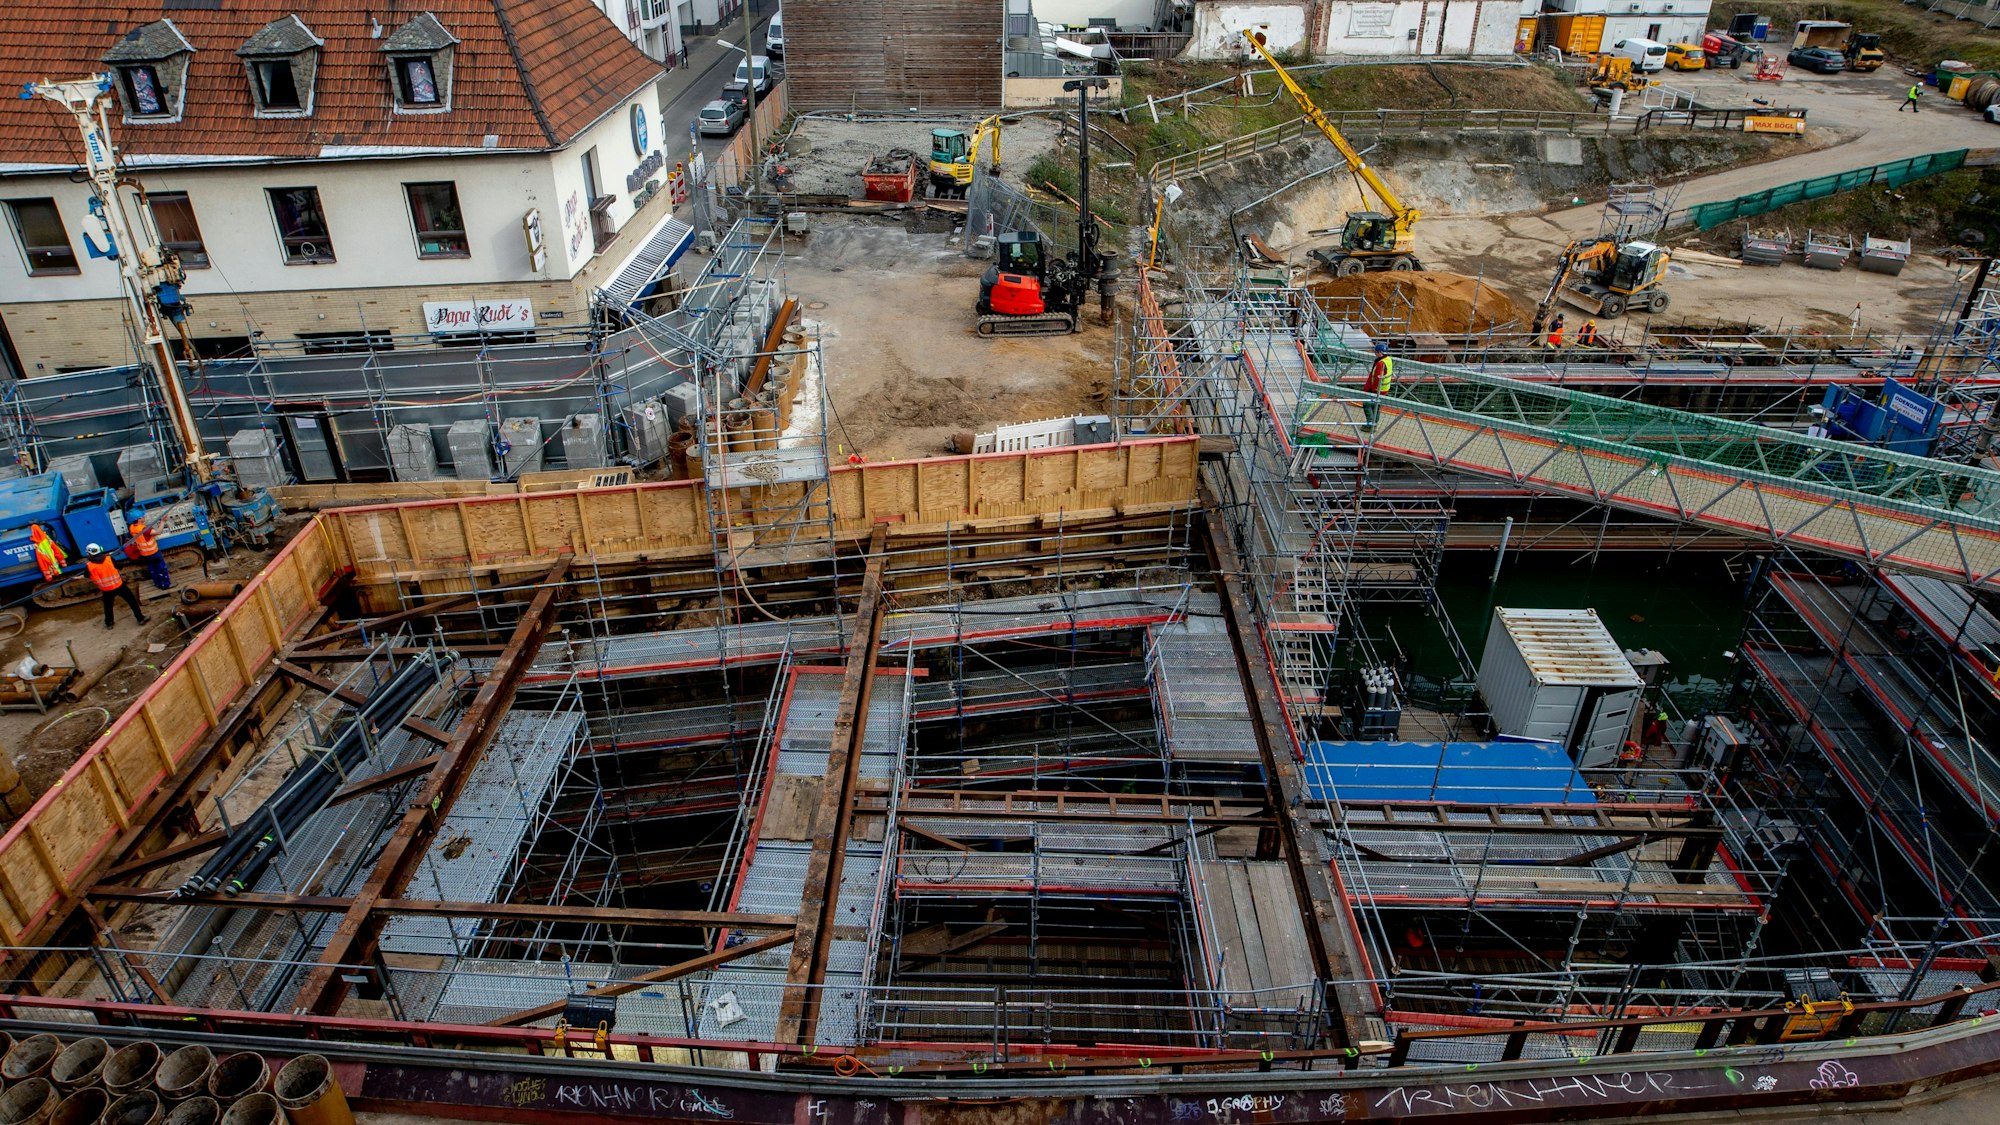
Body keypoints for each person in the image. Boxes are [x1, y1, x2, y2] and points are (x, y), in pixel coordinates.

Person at [84, 544, 147, 630]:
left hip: (106, 590)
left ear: (89, 553)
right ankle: (140, 618)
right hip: (119, 586)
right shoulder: (109, 559)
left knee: (108, 606)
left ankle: (109, 623)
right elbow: (120, 566)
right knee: (132, 601)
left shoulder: (89, 565)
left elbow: (87, 575)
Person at [126, 517, 171, 590]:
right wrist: (162, 521)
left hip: (144, 553)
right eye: (142, 516)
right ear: (138, 519)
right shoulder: (144, 530)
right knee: (161, 568)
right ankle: (165, 585)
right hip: (153, 552)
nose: (144, 517)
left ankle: (157, 584)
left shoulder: (132, 527)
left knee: (153, 568)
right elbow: (158, 532)